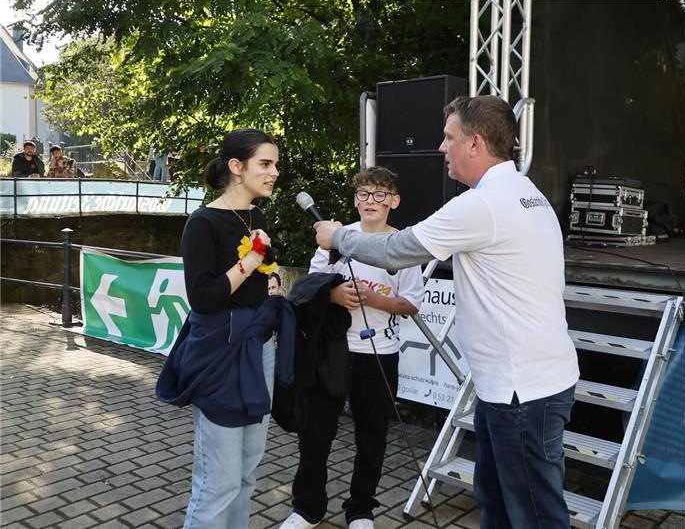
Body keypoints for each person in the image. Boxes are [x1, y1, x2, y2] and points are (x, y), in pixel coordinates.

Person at [314, 96, 580, 528]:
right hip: (516, 386)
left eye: (449, 137)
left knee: (535, 517)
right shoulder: (524, 192)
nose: (441, 147)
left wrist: (339, 237)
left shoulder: (484, 204)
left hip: (523, 392)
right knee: (494, 503)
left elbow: (397, 250)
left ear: (475, 144)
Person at [155, 128, 291, 529]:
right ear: (236, 167)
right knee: (219, 481)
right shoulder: (202, 223)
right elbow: (204, 298)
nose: (274, 173)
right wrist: (253, 260)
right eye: (265, 164)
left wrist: (269, 277)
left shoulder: (256, 214)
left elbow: (259, 271)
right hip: (219, 353)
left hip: (258, 348)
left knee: (247, 473)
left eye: (275, 165)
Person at [281, 167, 424, 529]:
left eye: (380, 194)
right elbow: (306, 289)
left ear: (394, 201)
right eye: (363, 194)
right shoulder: (335, 238)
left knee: (372, 438)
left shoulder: (402, 245)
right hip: (331, 352)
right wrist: (331, 293)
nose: (370, 202)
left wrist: (375, 299)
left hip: (380, 356)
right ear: (355, 200)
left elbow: (410, 304)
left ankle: (361, 510)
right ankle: (307, 508)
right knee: (316, 435)